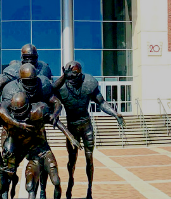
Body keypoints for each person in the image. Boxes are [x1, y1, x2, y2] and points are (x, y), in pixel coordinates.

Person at [52, 61, 123, 199]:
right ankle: (71, 181)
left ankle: (89, 188)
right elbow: (51, 93)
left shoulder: (89, 83)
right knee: (72, 160)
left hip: (86, 126)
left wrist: (115, 113)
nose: (73, 80)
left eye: (75, 76)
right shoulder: (62, 87)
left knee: (89, 158)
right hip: (71, 127)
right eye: (69, 77)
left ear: (80, 74)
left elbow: (101, 102)